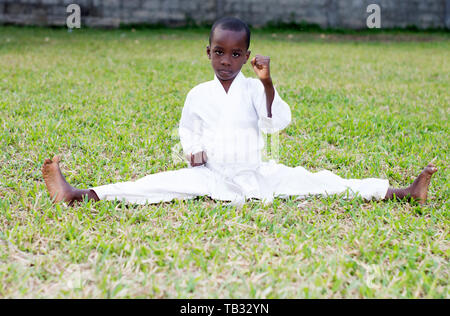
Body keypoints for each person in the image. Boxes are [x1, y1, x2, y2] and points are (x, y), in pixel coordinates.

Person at [41, 17, 437, 206]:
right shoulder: (198, 92)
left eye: (235, 54)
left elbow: (275, 122)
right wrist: (192, 151)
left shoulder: (253, 87)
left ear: (247, 57)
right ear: (208, 52)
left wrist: (266, 83)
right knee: (155, 183)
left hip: (258, 173)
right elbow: (187, 128)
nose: (226, 61)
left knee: (321, 180)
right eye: (218, 52)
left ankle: (400, 192)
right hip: (211, 174)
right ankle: (80, 194)